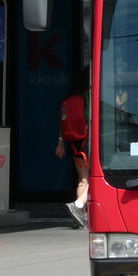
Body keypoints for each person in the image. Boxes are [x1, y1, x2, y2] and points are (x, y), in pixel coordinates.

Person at [56, 67, 90, 228]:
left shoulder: (70, 97)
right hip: (88, 142)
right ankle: (78, 205)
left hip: (73, 144)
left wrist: (60, 142)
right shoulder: (88, 97)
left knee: (83, 180)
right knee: (97, 180)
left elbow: (63, 123)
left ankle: (82, 216)